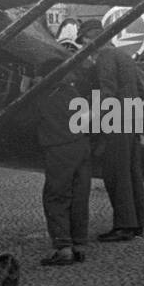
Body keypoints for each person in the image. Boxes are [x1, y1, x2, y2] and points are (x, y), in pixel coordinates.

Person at [77, 18, 144, 241]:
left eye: (84, 41)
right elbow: (142, 92)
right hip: (131, 122)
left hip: (115, 123)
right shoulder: (124, 56)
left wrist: (90, 117)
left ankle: (123, 226)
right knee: (132, 173)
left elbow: (108, 92)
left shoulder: (105, 57)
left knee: (116, 174)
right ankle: (137, 223)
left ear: (93, 39)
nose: (84, 47)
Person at [36, 58, 91, 266]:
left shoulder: (43, 95)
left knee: (56, 196)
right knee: (79, 196)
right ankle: (79, 245)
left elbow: (29, 118)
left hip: (59, 148)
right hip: (81, 147)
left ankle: (63, 248)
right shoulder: (72, 92)